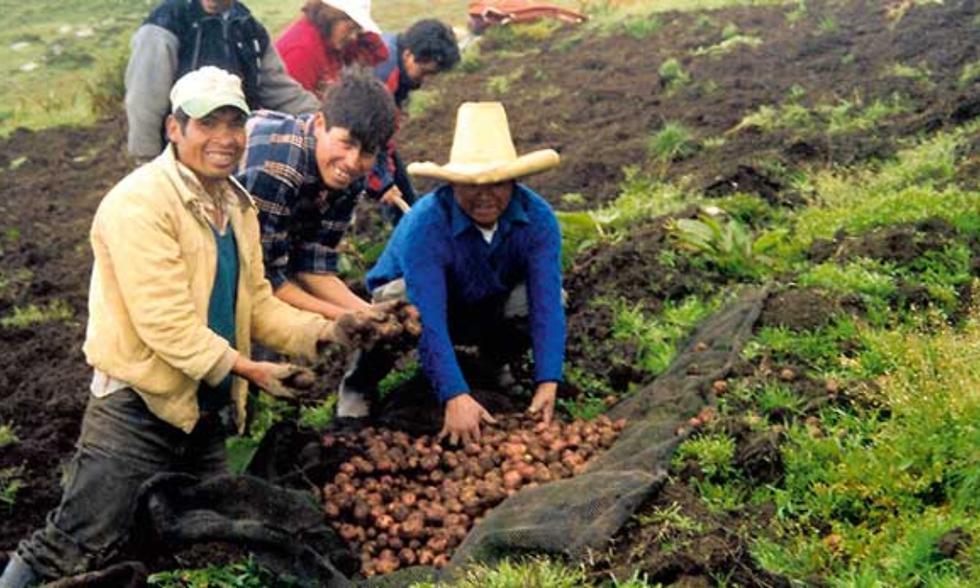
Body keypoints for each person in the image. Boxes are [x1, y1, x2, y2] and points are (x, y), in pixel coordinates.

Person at [0, 67, 393, 587]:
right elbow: (166, 325)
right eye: (208, 125)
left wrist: (331, 331)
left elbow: (256, 305)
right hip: (137, 408)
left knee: (212, 538)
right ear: (174, 129)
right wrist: (249, 368)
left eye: (235, 125)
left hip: (204, 410)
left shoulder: (235, 205)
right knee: (72, 542)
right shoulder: (141, 203)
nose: (225, 139)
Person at [340, 102, 566, 444]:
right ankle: (359, 384)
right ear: (452, 185)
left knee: (548, 300)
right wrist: (454, 395)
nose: (485, 196)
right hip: (420, 301)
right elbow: (428, 315)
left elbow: (547, 303)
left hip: (485, 300)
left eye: (498, 184)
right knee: (397, 308)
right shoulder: (426, 224)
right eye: (472, 185)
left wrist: (549, 380)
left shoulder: (538, 219)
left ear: (515, 182)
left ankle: (492, 365)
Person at [235, 70, 397, 322]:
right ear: (320, 124)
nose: (353, 162)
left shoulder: (350, 175)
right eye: (346, 143)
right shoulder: (279, 170)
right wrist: (347, 317)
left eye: (367, 152)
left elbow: (312, 262)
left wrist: (373, 312)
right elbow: (263, 280)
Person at [125, 0, 321, 162]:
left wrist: (327, 120)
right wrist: (148, 163)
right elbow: (144, 103)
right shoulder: (164, 27)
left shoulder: (248, 27)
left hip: (234, 154)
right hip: (179, 159)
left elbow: (280, 91)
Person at [368, 19, 461, 221]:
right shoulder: (383, 74)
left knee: (404, 193)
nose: (424, 81)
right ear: (409, 54)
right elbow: (364, 137)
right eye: (424, 72)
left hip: (370, 136)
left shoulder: (398, 57)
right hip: (348, 138)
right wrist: (381, 183)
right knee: (389, 195)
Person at [275, 0, 388, 97]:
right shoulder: (301, 52)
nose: (353, 37)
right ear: (330, 16)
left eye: (357, 30)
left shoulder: (331, 40)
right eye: (350, 28)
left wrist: (364, 30)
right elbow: (295, 111)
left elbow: (379, 55)